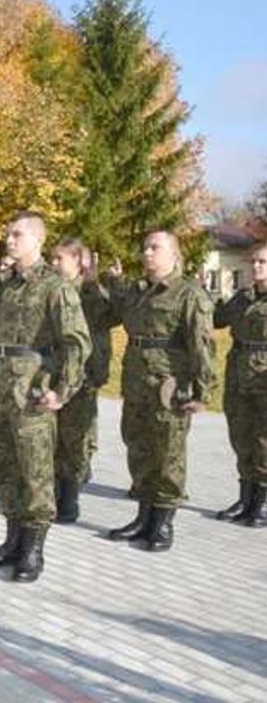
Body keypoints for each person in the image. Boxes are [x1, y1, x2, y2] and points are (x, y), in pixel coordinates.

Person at [0, 212, 90, 582]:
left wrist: (62, 391)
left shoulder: (55, 286)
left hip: (31, 393)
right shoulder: (2, 285)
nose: (9, 240)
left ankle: (34, 550)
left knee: (35, 473)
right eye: (8, 234)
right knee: (4, 469)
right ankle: (12, 540)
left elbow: (77, 342)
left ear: (37, 241)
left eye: (17, 234)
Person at [105, 231, 215, 551]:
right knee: (138, 447)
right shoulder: (141, 293)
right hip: (138, 383)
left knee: (168, 453)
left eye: (156, 247)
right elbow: (119, 308)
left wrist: (203, 390)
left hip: (170, 387)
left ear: (175, 255)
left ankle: (163, 522)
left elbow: (203, 345)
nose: (147, 253)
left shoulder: (188, 293)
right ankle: (143, 516)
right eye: (145, 247)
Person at [50, 239, 113, 523]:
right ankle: (53, 493)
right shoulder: (51, 289)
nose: (53, 265)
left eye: (59, 259)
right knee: (52, 438)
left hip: (81, 377)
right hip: (52, 374)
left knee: (74, 439)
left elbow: (98, 337)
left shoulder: (91, 294)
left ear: (79, 262)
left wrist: (94, 375)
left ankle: (70, 497)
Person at [213, 241, 267, 526]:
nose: (256, 267)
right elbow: (218, 319)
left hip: (263, 376)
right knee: (241, 437)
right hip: (238, 373)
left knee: (263, 441)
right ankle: (245, 498)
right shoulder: (243, 297)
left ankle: (260, 504)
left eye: (262, 262)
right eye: (253, 262)